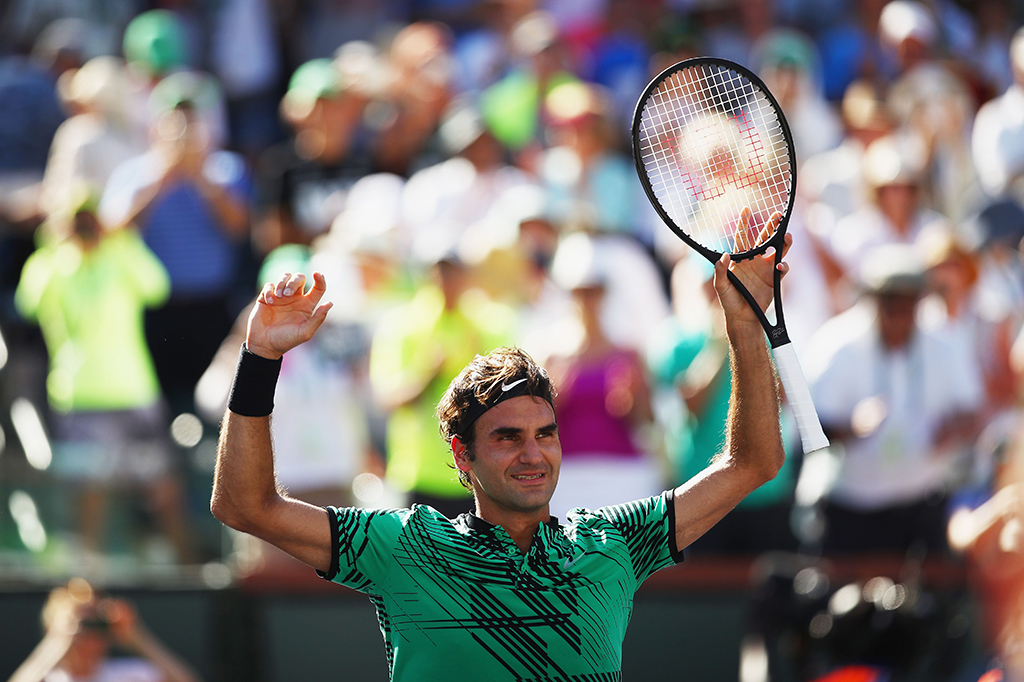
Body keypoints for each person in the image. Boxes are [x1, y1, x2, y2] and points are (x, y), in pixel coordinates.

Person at [210, 210, 790, 679]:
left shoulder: (612, 543)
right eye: (507, 439)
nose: (533, 454)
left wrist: (742, 324)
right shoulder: (405, 547)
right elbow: (244, 506)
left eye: (545, 434)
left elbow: (753, 463)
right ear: (463, 456)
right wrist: (260, 358)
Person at [9, 577, 201, 682]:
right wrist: (57, 642)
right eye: (83, 622)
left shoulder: (128, 674)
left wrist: (135, 637)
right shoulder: (47, 678)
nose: (91, 632)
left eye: (98, 622)